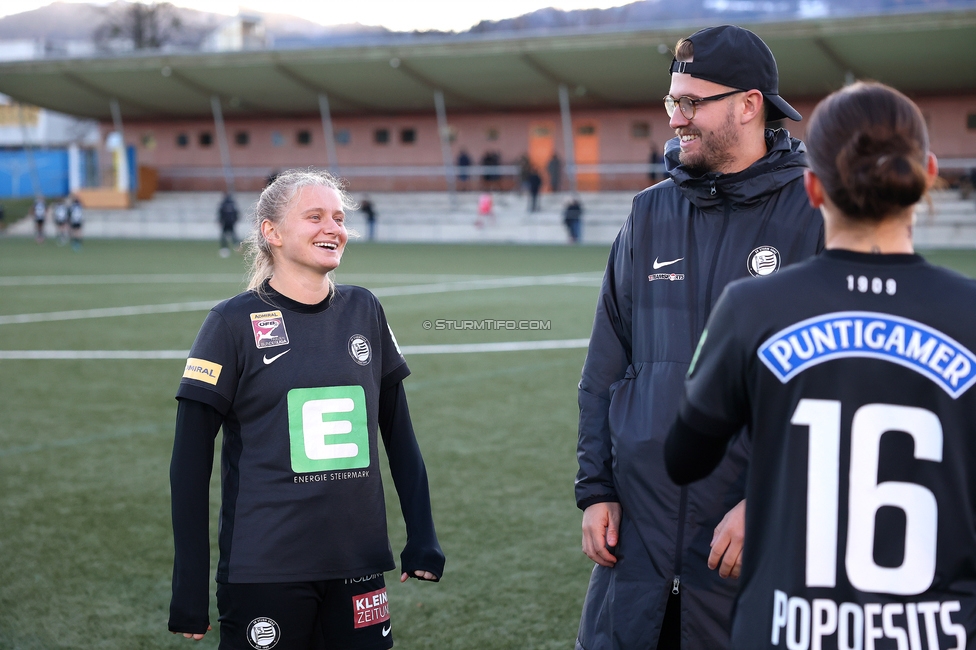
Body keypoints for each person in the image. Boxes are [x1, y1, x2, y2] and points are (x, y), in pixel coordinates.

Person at [664, 81, 976, 649]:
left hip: (788, 628)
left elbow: (684, 458)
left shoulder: (752, 308)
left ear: (812, 187)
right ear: (927, 173)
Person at [575, 24, 825, 650]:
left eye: (692, 102)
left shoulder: (815, 216)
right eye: (672, 101)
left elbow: (834, 390)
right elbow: (607, 362)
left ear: (749, 104)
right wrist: (596, 489)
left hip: (750, 544)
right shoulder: (649, 212)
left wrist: (770, 499)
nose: (675, 119)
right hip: (637, 542)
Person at [169, 169, 445, 648]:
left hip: (358, 562)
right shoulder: (230, 323)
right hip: (265, 568)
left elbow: (399, 434)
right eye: (315, 216)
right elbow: (188, 465)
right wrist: (189, 586)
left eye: (338, 218)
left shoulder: (365, 309)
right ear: (271, 232)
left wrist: (423, 534)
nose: (333, 228)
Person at [217, 193, 240, 257]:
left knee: (224, 236)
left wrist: (220, 221)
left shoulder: (223, 204)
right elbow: (236, 213)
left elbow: (220, 213)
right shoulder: (233, 204)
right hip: (231, 222)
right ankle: (237, 246)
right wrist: (235, 220)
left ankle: (225, 248)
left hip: (225, 222)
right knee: (233, 235)